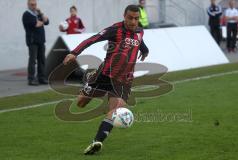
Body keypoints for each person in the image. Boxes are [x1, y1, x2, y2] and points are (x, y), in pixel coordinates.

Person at [63, 5, 149, 155]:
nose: (134, 22)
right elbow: (93, 39)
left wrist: (145, 50)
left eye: (137, 18)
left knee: (115, 111)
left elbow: (140, 42)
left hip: (124, 80)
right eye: (130, 18)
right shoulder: (115, 30)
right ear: (124, 15)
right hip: (104, 75)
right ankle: (89, 82)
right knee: (81, 103)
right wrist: (75, 53)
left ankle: (97, 141)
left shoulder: (140, 31)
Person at [22, 0, 49, 85]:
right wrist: (41, 22)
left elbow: (47, 22)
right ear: (28, 5)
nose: (34, 6)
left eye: (35, 4)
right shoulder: (26, 14)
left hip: (41, 40)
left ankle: (41, 78)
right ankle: (31, 79)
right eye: (32, 4)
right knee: (33, 60)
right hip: (32, 41)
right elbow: (36, 24)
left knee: (42, 60)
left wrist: (41, 13)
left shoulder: (37, 14)